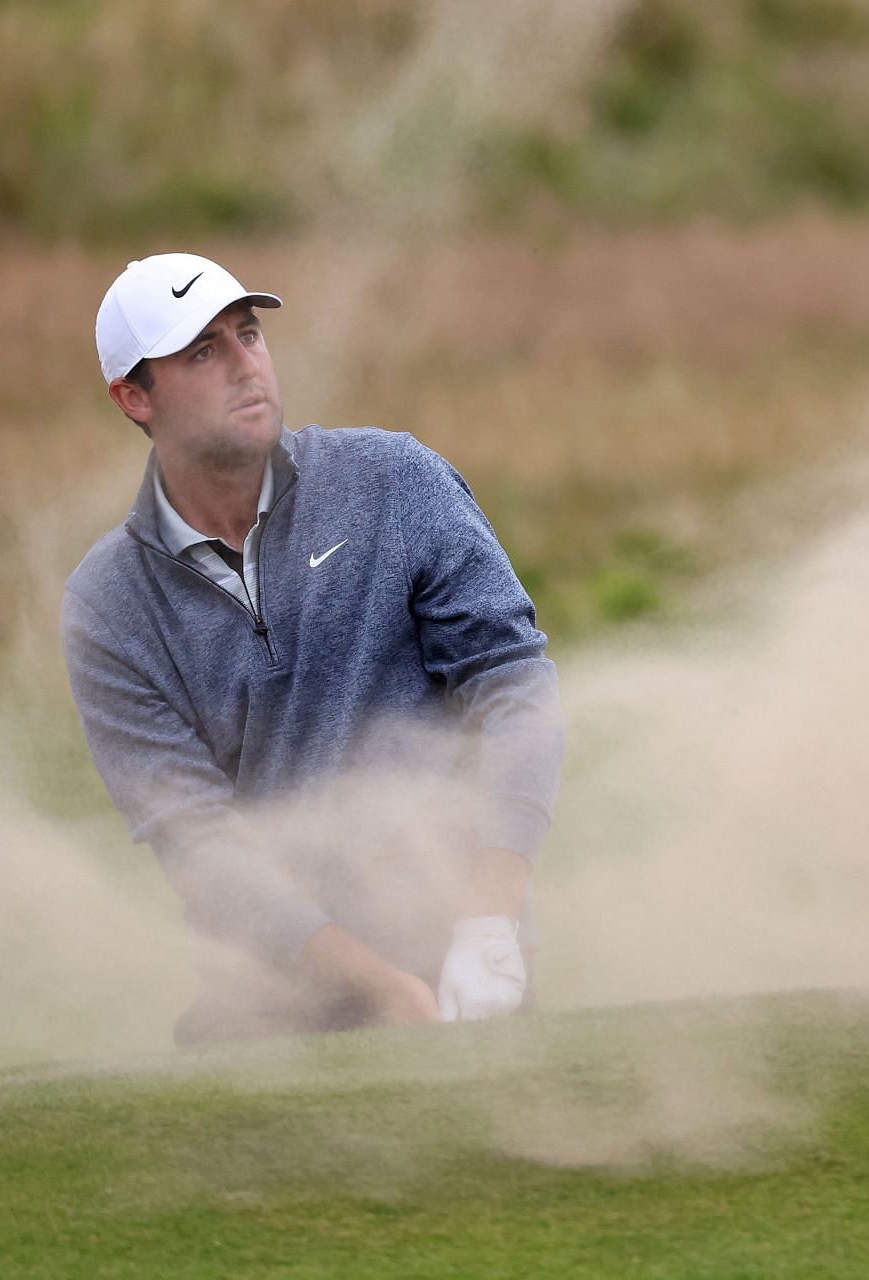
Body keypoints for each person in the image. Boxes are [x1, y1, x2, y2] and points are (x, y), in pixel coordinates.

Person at [61, 252, 564, 1045]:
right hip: (281, 983)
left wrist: (491, 923)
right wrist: (380, 987)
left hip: (460, 944)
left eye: (248, 334)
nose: (244, 365)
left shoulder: (394, 481)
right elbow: (202, 845)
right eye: (202, 352)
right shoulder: (109, 606)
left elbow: (513, 687)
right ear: (133, 397)